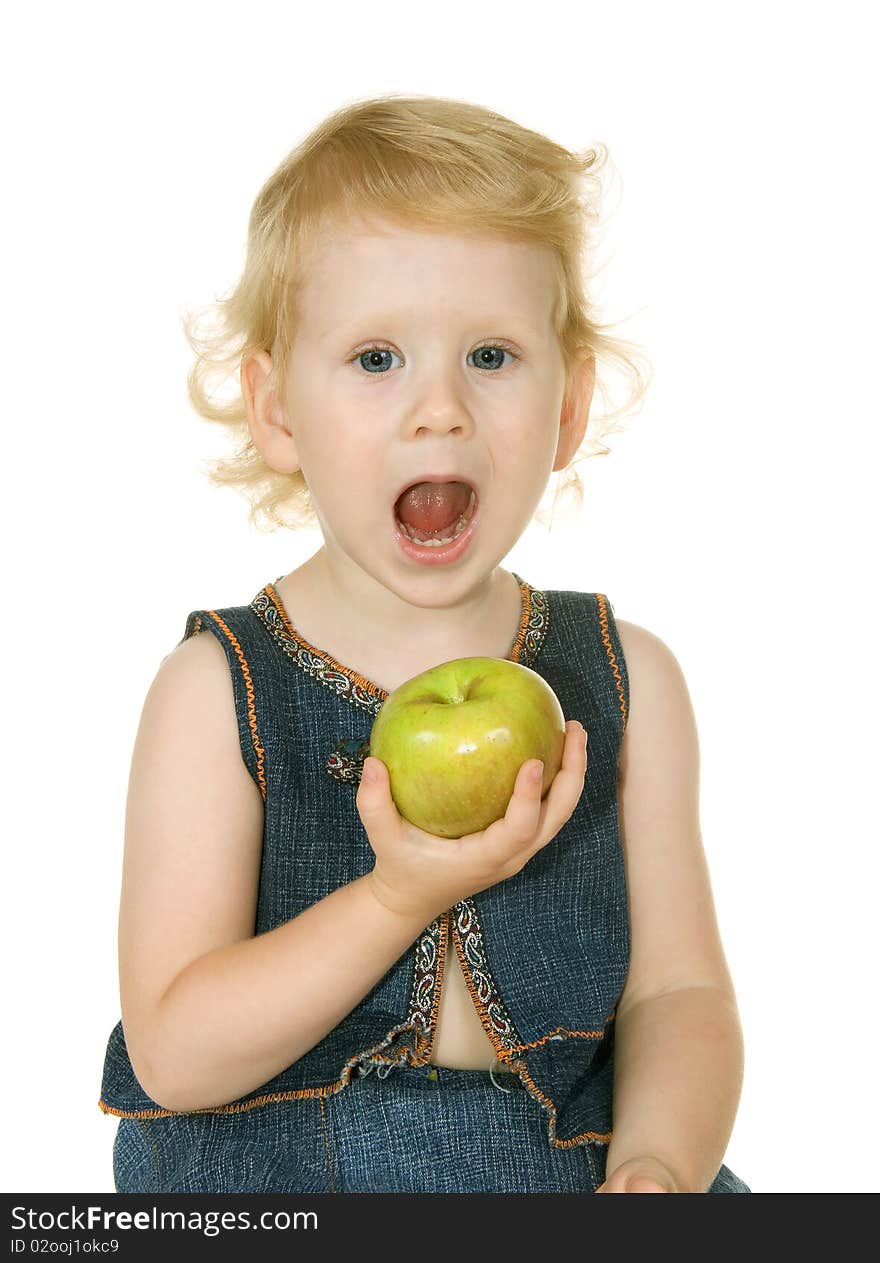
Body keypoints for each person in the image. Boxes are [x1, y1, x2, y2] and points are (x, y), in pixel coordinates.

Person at [99, 93, 750, 1194]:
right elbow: (175, 1051)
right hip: (285, 1189)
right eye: (375, 360)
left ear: (567, 405)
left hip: (564, 1177)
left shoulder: (627, 678)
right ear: (277, 412)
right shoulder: (217, 689)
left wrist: (659, 1163)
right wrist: (393, 896)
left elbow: (675, 996)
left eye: (491, 355)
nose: (439, 409)